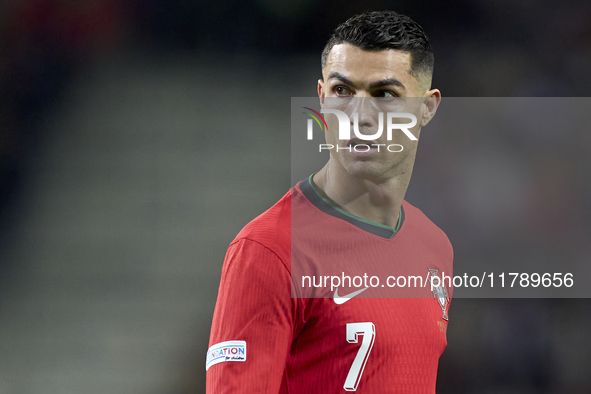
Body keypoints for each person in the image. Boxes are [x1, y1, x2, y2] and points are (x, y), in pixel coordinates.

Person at [206, 10, 453, 393]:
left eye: (384, 94)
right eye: (343, 91)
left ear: (427, 107)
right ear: (321, 98)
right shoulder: (269, 250)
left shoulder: (435, 246)